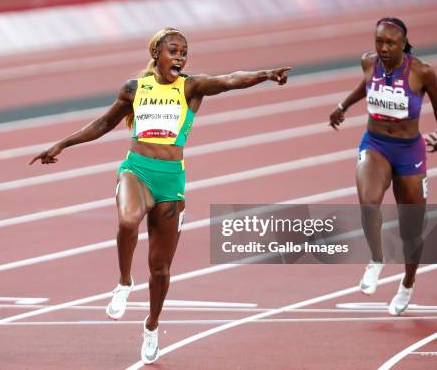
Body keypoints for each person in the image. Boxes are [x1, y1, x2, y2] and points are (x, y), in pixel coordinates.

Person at [31, 27, 291, 364]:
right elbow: (103, 123)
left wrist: (265, 74)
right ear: (157, 54)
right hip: (136, 170)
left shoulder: (191, 87)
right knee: (127, 220)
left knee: (161, 270)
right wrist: (63, 143)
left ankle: (151, 325)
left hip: (171, 182)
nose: (180, 57)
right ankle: (123, 282)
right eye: (174, 50)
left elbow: (229, 80)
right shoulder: (134, 88)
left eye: (184, 52)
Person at [329, 18, 437, 316]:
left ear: (403, 43)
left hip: (409, 152)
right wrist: (343, 106)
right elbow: (366, 85)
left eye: (390, 43)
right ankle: (376, 259)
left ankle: (407, 284)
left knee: (412, 230)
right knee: (368, 203)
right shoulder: (369, 62)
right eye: (379, 42)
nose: (383, 48)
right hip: (375, 145)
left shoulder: (422, 72)